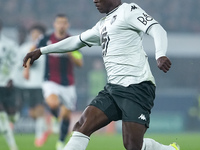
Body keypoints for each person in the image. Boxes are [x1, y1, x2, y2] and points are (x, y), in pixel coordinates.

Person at [23, 1, 180, 150]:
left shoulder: (129, 10)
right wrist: (42, 50)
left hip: (136, 87)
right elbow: (75, 41)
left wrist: (160, 54)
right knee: (82, 126)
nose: (95, 0)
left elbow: (157, 29)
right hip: (113, 89)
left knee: (132, 146)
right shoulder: (102, 24)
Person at [25, 14, 83, 150]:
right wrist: (26, 69)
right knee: (53, 102)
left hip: (68, 83)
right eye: (59, 22)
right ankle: (56, 121)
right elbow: (32, 50)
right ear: (54, 24)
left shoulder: (72, 41)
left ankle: (61, 143)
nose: (61, 25)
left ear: (67, 25)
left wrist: (69, 52)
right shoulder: (46, 39)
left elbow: (79, 63)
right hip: (50, 80)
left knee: (67, 115)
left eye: (64, 23)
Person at [16, 24, 49, 147]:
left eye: (38, 33)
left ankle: (39, 136)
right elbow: (19, 64)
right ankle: (46, 127)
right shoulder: (24, 48)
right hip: (27, 84)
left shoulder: (43, 49)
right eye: (33, 33)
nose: (35, 35)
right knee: (32, 113)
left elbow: (33, 63)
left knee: (39, 109)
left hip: (40, 84)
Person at [0, 18, 19, 150]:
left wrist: (12, 77)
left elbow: (16, 63)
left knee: (12, 117)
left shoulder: (9, 44)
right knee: (2, 115)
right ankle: (13, 147)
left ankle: (8, 123)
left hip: (7, 85)